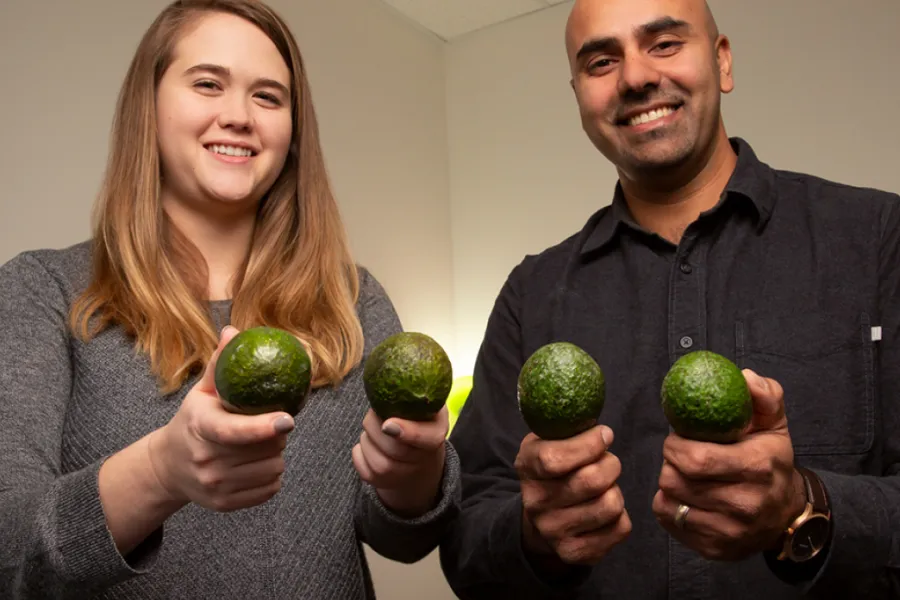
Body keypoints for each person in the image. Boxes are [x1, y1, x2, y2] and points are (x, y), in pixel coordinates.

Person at [0, 1, 460, 598]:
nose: (239, 116)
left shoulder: (353, 298)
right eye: (208, 84)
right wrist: (161, 471)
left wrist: (415, 472)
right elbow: (10, 552)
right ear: (148, 105)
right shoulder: (43, 290)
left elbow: (403, 537)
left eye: (268, 97)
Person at [439, 0, 899, 598]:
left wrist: (805, 506)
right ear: (579, 97)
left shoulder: (879, 238)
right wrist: (533, 534)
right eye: (601, 62)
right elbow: (467, 537)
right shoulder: (531, 293)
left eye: (664, 44)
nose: (635, 77)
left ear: (722, 62)